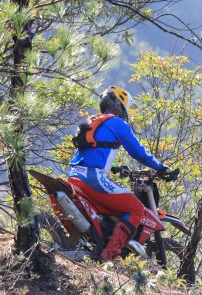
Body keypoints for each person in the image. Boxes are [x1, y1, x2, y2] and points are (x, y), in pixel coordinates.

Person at [66, 85, 178, 261]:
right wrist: (161, 167)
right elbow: (138, 152)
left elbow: (95, 152)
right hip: (93, 178)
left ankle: (99, 242)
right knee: (136, 209)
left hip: (75, 175)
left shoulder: (95, 121)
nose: (127, 112)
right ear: (119, 103)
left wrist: (116, 167)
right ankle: (111, 255)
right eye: (126, 107)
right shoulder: (117, 123)